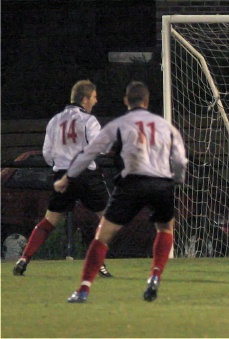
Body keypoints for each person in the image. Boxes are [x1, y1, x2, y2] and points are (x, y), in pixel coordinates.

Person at [56, 81, 188, 303]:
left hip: (132, 184)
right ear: (146, 102)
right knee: (165, 229)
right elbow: (180, 158)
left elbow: (89, 153)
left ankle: (83, 289)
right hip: (160, 184)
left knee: (103, 237)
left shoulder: (119, 124)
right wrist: (177, 179)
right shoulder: (164, 125)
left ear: (126, 101)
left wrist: (66, 178)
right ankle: (155, 276)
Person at [13, 80, 113, 278]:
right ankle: (97, 264)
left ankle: (24, 259)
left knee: (49, 221)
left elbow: (47, 153)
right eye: (93, 97)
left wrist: (60, 165)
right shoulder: (89, 120)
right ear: (84, 99)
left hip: (62, 176)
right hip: (86, 175)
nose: (96, 100)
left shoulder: (54, 121)